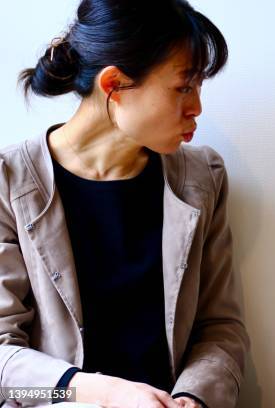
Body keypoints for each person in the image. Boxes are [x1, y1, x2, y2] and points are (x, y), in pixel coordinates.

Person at [0, 1, 249, 407]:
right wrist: (102, 392)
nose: (197, 108)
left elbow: (220, 327)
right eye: (184, 86)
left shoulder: (202, 178)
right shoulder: (9, 181)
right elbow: (3, 363)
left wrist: (194, 397)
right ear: (114, 84)